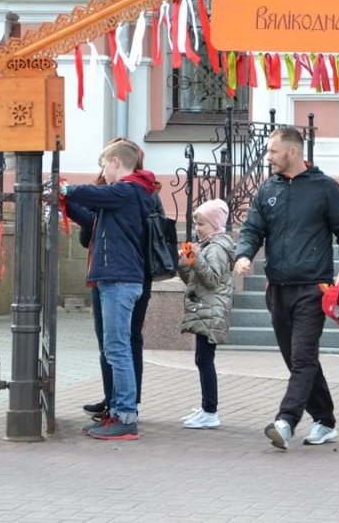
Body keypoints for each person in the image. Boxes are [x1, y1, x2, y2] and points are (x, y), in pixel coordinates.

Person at [234, 126, 339, 451]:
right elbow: (252, 229)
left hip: (312, 288)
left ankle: (285, 421)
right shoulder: (268, 189)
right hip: (277, 288)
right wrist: (244, 254)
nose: (268, 157)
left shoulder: (325, 188)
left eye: (273, 152)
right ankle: (325, 419)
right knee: (296, 359)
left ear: (293, 152)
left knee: (303, 356)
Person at [64, 139, 156, 441]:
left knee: (118, 349)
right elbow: (92, 219)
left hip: (120, 278)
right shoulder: (124, 195)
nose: (103, 171)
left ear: (115, 161)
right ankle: (117, 411)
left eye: (104, 165)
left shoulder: (129, 190)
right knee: (115, 347)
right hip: (113, 277)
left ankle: (126, 417)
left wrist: (65, 189)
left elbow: (94, 193)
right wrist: (65, 202)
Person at [177, 197, 236, 429]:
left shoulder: (218, 248)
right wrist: (186, 262)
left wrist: (198, 257)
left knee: (204, 359)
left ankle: (210, 411)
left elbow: (211, 279)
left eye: (202, 224)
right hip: (205, 308)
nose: (197, 229)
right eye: (196, 224)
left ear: (215, 224)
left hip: (212, 310)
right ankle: (206, 407)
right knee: (202, 359)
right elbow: (193, 280)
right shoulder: (209, 246)